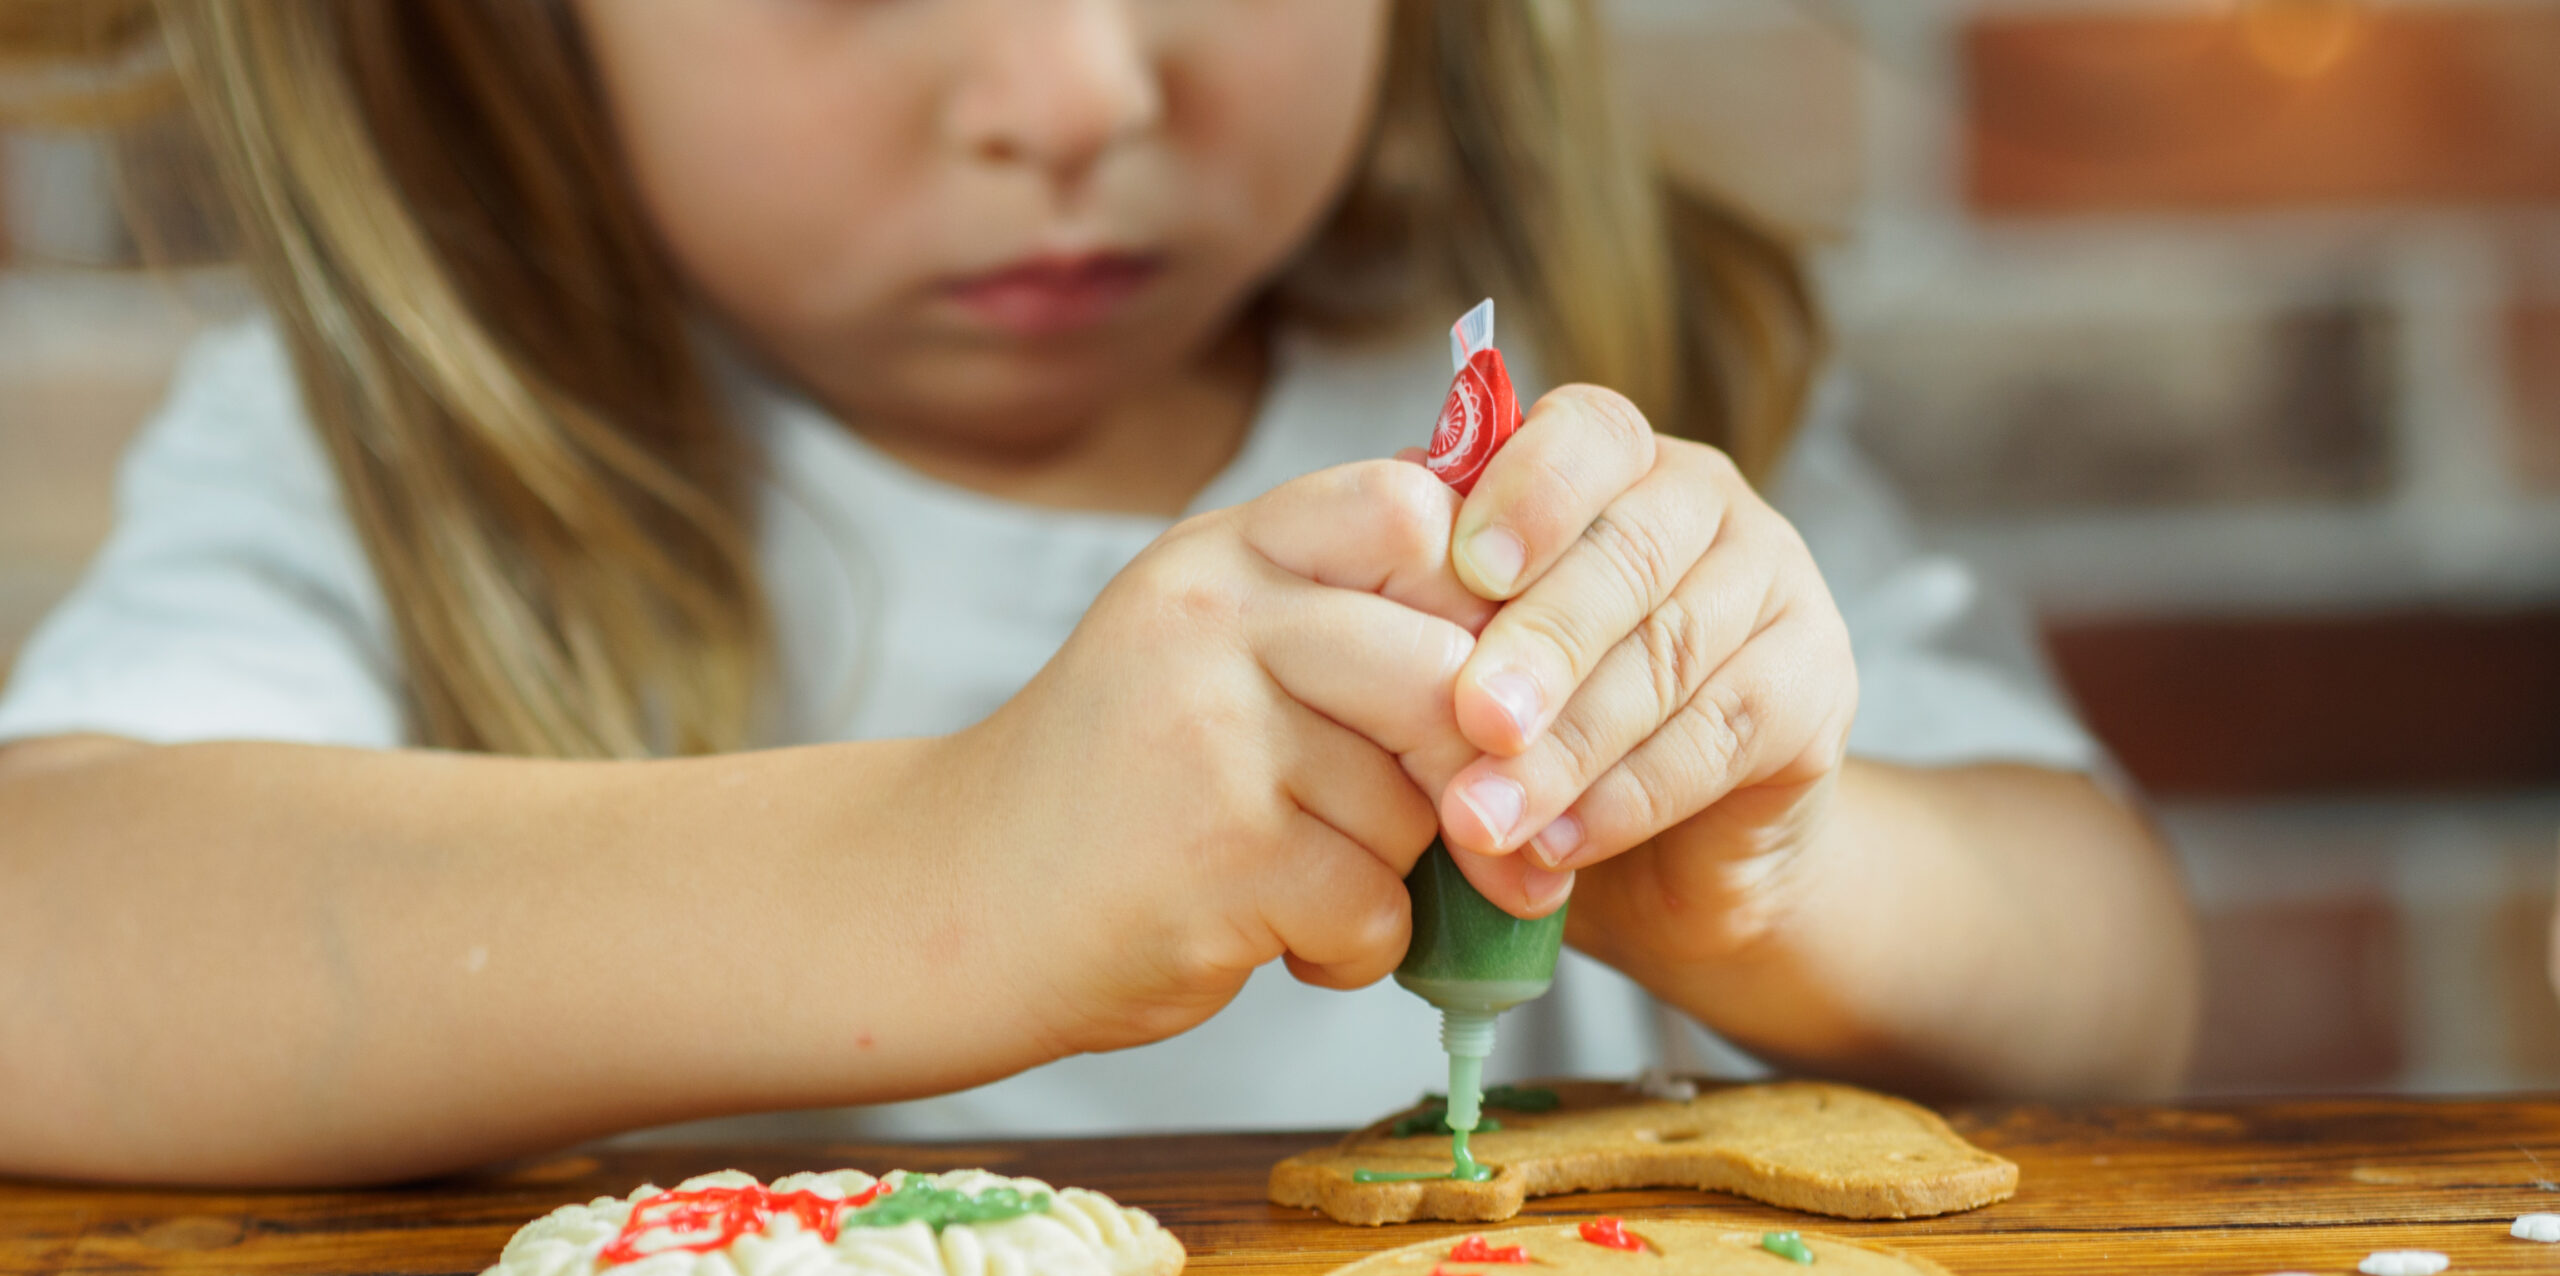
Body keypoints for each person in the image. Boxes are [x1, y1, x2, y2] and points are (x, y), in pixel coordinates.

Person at [0, 0, 2198, 1187]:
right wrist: (939, 874)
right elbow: (49, 949)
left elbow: (2117, 997)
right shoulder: (376, 435)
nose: (1070, 87)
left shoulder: (1596, 397)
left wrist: (1774, 873)